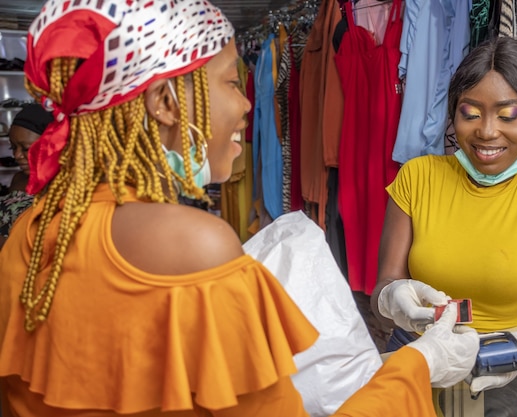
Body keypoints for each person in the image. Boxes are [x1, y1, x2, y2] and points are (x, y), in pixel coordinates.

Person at [0, 1, 480, 416]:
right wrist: (420, 364)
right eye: (231, 83)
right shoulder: (194, 244)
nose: (249, 105)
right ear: (164, 103)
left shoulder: (36, 227)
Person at [371, 35, 517, 415]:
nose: (486, 131)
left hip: (504, 365)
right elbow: (384, 284)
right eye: (470, 113)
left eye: (508, 115)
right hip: (415, 355)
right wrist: (390, 298)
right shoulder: (419, 176)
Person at [0, 103, 54, 250]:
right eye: (13, 147)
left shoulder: (66, 187)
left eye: (26, 148)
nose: (17, 155)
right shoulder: (19, 179)